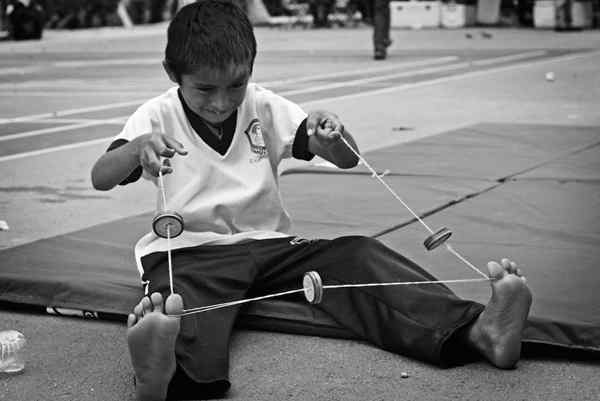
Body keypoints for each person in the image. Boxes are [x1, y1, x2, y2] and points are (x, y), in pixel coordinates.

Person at [90, 1, 532, 400]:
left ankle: (479, 332)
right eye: (204, 90)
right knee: (178, 306)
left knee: (358, 254)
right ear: (173, 73)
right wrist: (136, 148)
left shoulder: (264, 105)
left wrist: (331, 135)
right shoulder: (156, 115)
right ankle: (164, 378)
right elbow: (101, 177)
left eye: (235, 85)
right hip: (190, 255)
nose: (221, 103)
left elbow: (343, 158)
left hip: (272, 249)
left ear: (250, 69)